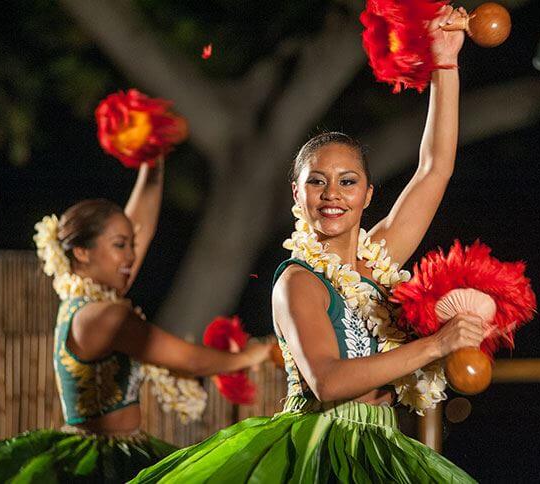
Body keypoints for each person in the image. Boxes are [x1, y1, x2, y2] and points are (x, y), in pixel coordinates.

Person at [130, 6, 483, 483]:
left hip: (384, 445)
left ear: (368, 195)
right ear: (297, 194)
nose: (332, 194)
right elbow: (329, 379)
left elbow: (434, 167)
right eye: (317, 181)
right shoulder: (298, 282)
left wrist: (445, 63)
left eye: (347, 181)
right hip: (320, 451)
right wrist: (435, 346)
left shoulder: (379, 259)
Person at [0, 157, 271, 483]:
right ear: (83, 252)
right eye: (121, 245)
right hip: (104, 464)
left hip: (111, 447)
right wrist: (252, 354)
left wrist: (153, 162)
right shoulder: (106, 317)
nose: (132, 256)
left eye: (131, 245)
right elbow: (191, 359)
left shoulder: (84, 300)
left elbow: (141, 228)